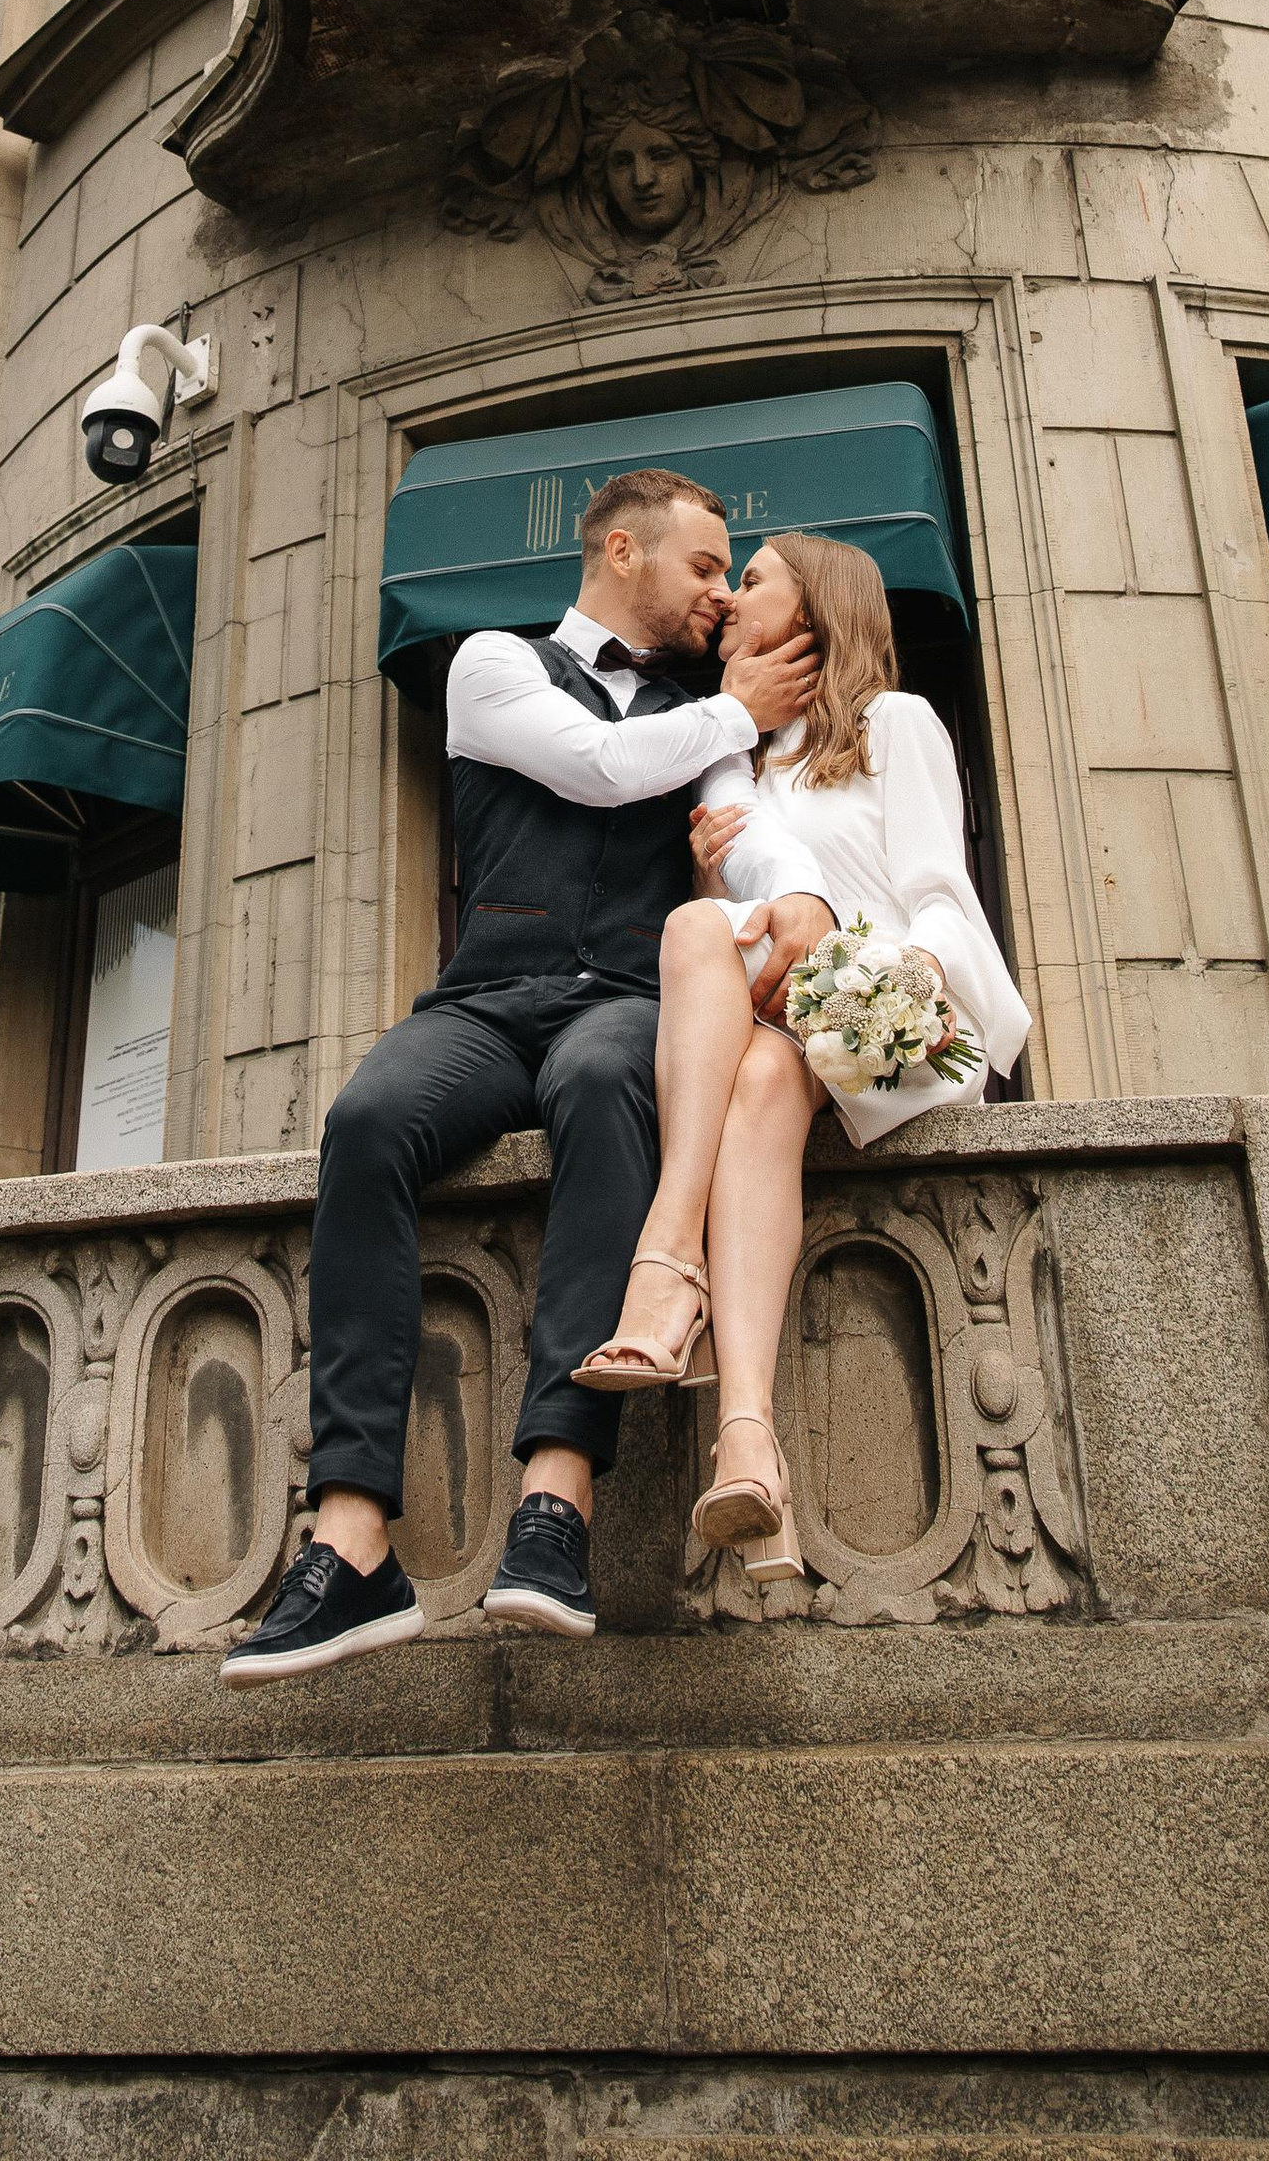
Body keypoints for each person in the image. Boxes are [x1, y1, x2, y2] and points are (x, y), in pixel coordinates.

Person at [222, 466, 824, 1680]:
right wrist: (736, 710)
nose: (719, 592)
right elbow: (595, 767)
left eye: (727, 575)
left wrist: (778, 881)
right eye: (703, 566)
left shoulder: (706, 710)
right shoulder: (492, 664)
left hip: (626, 1003)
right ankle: (350, 1540)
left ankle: (556, 1507)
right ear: (619, 549)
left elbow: (737, 829)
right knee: (369, 1119)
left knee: (610, 1092)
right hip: (486, 1000)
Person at [574, 529, 1031, 1582]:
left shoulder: (894, 724)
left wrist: (893, 982)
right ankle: (746, 1439)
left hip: (880, 1017)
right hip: (775, 1044)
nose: (731, 598)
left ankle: (663, 1271)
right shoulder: (735, 756)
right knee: (723, 989)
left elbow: (933, 891)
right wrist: (708, 883)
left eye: (755, 580)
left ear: (817, 606)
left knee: (748, 1011)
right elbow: (729, 941)